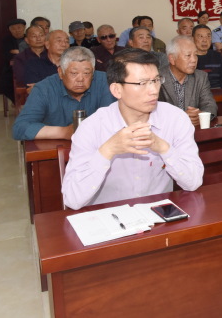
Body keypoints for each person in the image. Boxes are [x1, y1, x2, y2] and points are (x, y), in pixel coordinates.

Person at [61, 48, 204, 210]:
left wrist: (163, 148)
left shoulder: (175, 119)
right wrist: (107, 151)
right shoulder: (92, 128)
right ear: (117, 90)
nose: (153, 90)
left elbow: (193, 182)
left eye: (156, 80)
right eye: (142, 83)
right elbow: (72, 199)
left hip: (158, 215)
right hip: (108, 217)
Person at [12, 46, 115, 141]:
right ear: (61, 72)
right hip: (55, 149)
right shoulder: (44, 89)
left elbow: (113, 121)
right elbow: (20, 128)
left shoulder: (106, 82)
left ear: (93, 72)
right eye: (74, 73)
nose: (80, 79)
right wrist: (64, 132)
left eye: (86, 73)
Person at [158, 36, 217, 126]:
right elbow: (153, 112)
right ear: (172, 59)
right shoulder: (156, 78)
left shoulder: (200, 77)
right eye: (188, 55)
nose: (194, 60)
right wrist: (181, 118)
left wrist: (201, 116)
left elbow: (209, 105)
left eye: (195, 55)